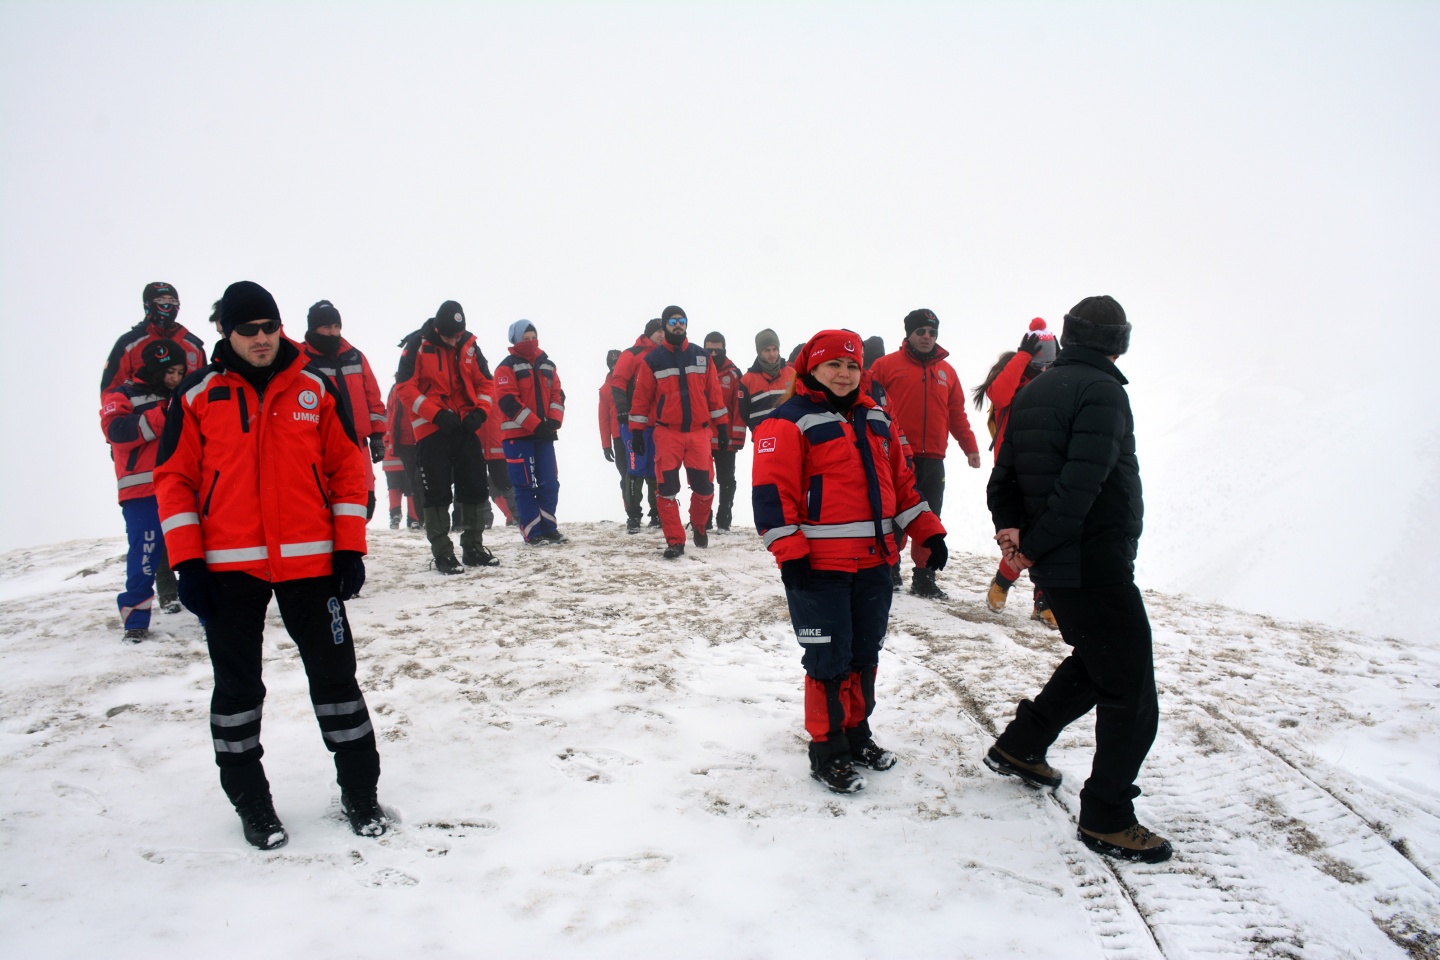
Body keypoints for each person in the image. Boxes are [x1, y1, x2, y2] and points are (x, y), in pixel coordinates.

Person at [154, 280, 385, 849]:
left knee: (337, 683)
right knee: (237, 691)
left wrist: (349, 547)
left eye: (269, 327)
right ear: (226, 332)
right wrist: (188, 564)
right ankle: (252, 803)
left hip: (311, 564)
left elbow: (346, 469)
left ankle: (361, 792)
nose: (261, 338)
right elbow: (174, 481)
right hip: (227, 570)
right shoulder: (197, 394)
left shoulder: (315, 388)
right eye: (248, 329)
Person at [985, 295, 1170, 864]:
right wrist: (1031, 548)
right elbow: (1080, 488)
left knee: (1096, 662)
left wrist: (1013, 533)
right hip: (1094, 562)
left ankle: (1021, 745)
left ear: (1068, 336)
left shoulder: (1035, 390)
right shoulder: (1104, 392)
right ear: (1119, 342)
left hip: (1065, 564)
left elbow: (1002, 477)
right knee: (1131, 692)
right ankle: (1107, 816)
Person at [753, 330, 946, 793]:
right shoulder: (786, 421)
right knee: (828, 658)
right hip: (818, 568)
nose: (844, 374)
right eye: (833, 365)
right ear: (811, 369)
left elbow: (903, 485)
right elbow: (772, 496)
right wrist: (789, 553)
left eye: (852, 365)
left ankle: (857, 733)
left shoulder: (876, 418)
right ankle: (827, 748)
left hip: (875, 564)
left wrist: (928, 531)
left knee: (863, 654)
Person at [868, 308, 981, 599]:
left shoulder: (947, 372)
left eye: (932, 332)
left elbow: (956, 414)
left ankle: (925, 577)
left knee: (929, 516)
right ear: (909, 334)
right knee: (893, 515)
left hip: (933, 458)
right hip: (895, 456)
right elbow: (867, 403)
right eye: (921, 331)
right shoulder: (885, 366)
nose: (927, 337)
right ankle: (889, 569)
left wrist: (970, 447)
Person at [394, 301, 498, 574]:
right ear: (438, 329)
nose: (454, 341)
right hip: (431, 429)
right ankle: (443, 553)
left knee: (475, 484)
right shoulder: (417, 344)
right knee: (437, 491)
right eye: (449, 336)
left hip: (465, 426)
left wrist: (480, 412)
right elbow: (404, 387)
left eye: (457, 335)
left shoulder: (469, 344)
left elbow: (486, 382)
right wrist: (436, 415)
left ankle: (473, 548)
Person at [972, 318, 1060, 627]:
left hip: (1048, 469)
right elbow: (999, 396)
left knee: (1049, 536)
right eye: (1039, 357)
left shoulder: (1057, 379)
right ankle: (1003, 581)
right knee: (1018, 537)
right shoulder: (1014, 378)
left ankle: (1043, 601)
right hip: (1011, 472)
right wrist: (1023, 356)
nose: (1044, 364)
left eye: (1049, 358)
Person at [100, 339, 187, 641]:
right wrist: (164, 415)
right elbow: (116, 432)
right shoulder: (121, 394)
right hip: (140, 493)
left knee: (195, 553)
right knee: (144, 558)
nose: (176, 378)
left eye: (180, 372)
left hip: (182, 487)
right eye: (170, 372)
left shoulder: (184, 394)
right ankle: (135, 622)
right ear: (153, 369)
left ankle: (208, 614)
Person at [629, 306, 726, 558]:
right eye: (672, 321)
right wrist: (636, 431)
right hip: (667, 434)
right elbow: (641, 398)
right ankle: (675, 541)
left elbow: (715, 395)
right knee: (667, 489)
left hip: (699, 433)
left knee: (704, 488)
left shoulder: (701, 356)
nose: (678, 325)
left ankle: (699, 526)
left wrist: (723, 426)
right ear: (665, 326)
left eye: (682, 320)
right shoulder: (652, 360)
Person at [300, 300, 387, 519]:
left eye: (336, 327)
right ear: (314, 329)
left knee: (364, 504)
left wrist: (377, 435)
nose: (333, 332)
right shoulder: (301, 360)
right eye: (327, 327)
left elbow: (373, 399)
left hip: (358, 445)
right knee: (325, 504)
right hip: (320, 447)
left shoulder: (356, 357)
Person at [494, 319, 567, 545]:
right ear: (515, 340)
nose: (531, 342)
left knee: (549, 483)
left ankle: (549, 528)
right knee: (524, 485)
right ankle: (532, 532)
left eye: (533, 337)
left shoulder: (548, 365)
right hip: (517, 438)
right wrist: (537, 425)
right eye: (525, 338)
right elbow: (508, 402)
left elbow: (558, 396)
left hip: (544, 436)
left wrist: (553, 423)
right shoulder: (505, 368)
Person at [608, 318, 665, 533]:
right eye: (658, 331)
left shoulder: (666, 355)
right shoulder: (631, 354)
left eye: (664, 331)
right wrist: (623, 409)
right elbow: (618, 381)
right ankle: (633, 516)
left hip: (659, 422)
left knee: (655, 468)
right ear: (648, 333)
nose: (662, 335)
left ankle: (657, 514)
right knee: (635, 467)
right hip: (634, 421)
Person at [100, 282, 207, 394]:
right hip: (141, 404)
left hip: (183, 405)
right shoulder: (128, 343)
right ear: (148, 304)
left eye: (172, 301)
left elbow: (203, 389)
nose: (167, 305)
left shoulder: (194, 346)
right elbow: (110, 391)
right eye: (161, 300)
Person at [702, 331, 744, 531]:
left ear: (724, 350)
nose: (712, 354)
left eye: (717, 351)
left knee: (726, 480)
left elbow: (739, 408)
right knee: (702, 480)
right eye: (709, 350)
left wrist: (738, 438)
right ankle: (703, 520)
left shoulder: (734, 374)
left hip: (725, 438)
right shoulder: (697, 371)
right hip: (701, 438)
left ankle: (724, 521)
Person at [737, 329, 796, 442]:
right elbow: (743, 413)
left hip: (789, 434)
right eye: (767, 350)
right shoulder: (747, 380)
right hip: (762, 438)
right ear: (759, 352)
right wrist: (756, 428)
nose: (772, 354)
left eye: (775, 349)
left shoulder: (792, 374)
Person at [381, 382, 422, 529]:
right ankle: (414, 518)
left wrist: (387, 441)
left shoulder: (395, 390)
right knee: (412, 484)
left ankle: (395, 514)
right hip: (410, 445)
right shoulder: (415, 387)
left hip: (393, 447)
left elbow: (389, 419)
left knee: (394, 485)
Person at [598, 349, 629, 521]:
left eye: (618, 363)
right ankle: (631, 513)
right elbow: (603, 419)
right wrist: (606, 445)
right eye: (612, 364)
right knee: (625, 475)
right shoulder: (605, 390)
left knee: (647, 474)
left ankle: (655, 513)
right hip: (618, 438)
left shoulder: (633, 381)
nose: (615, 367)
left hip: (637, 433)